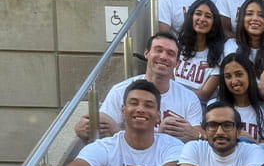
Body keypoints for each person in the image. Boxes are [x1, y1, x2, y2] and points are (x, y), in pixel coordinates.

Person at [74, 32, 204, 143]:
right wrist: (84, 128)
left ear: (177, 63)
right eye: (158, 50)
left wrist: (195, 134)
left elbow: (198, 132)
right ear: (146, 53)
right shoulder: (121, 91)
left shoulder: (189, 98)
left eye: (170, 53)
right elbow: (101, 126)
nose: (163, 57)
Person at [217, 0, 264, 97]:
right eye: (249, 14)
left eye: (261, 15)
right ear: (242, 18)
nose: (255, 19)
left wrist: (262, 87)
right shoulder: (231, 45)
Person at [216, 52, 264, 145]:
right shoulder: (215, 107)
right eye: (228, 76)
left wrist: (250, 141)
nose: (234, 81)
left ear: (250, 75)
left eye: (239, 74)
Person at [174, 0, 225, 99]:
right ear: (191, 17)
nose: (202, 19)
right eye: (198, 14)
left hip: (199, 106)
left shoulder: (219, 55)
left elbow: (204, 94)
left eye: (208, 16)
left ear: (214, 22)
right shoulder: (177, 46)